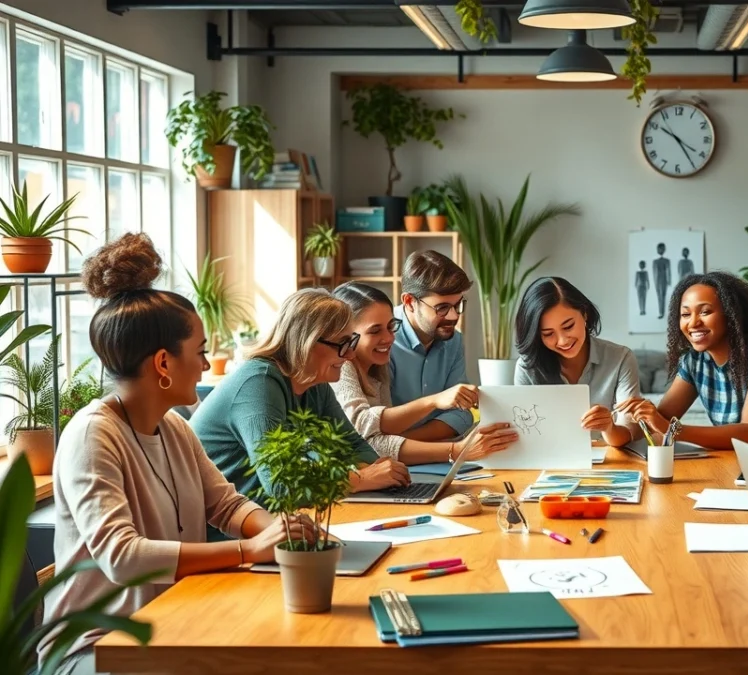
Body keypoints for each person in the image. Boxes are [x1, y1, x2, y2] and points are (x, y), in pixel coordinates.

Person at [42, 234, 313, 675]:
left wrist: (280, 532)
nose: (207, 365)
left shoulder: (174, 426)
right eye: (201, 352)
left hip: (172, 620)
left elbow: (225, 505)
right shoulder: (93, 435)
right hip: (96, 650)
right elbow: (123, 558)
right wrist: (248, 550)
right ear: (164, 364)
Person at [191, 288, 411, 512]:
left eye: (352, 342)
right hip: (219, 527)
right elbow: (282, 485)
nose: (351, 355)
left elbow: (351, 445)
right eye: (342, 344)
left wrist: (382, 471)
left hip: (267, 518)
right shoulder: (258, 383)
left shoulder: (315, 383)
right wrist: (361, 479)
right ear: (307, 342)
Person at [330, 281, 518, 463]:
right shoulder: (340, 366)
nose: (388, 338)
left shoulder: (377, 368)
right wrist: (456, 448)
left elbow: (379, 439)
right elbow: (363, 437)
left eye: (390, 326)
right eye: (375, 331)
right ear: (346, 335)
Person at [618, 271, 748, 450]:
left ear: (730, 315)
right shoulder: (694, 361)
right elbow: (660, 422)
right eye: (686, 314)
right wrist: (637, 417)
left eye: (705, 312)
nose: (693, 323)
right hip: (735, 459)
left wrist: (672, 430)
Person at [513, 277, 641, 448]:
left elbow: (630, 432)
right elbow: (527, 436)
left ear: (584, 314)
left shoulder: (621, 358)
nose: (563, 340)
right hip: (549, 463)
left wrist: (609, 428)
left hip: (610, 463)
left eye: (568, 326)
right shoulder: (528, 368)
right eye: (548, 334)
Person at [390, 250, 477, 442]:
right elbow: (377, 421)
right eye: (442, 308)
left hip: (434, 454)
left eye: (457, 305)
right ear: (409, 302)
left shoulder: (453, 340)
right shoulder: (384, 340)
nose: (454, 316)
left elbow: (461, 413)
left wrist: (407, 444)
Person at [652, 242, 671, 318]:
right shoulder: (655, 261)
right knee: (659, 296)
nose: (661, 250)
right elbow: (654, 272)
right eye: (660, 248)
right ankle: (661, 312)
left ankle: (662, 313)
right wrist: (655, 281)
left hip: (664, 280)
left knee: (663, 296)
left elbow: (668, 271)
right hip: (658, 281)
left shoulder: (667, 261)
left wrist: (669, 280)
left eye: (662, 248)